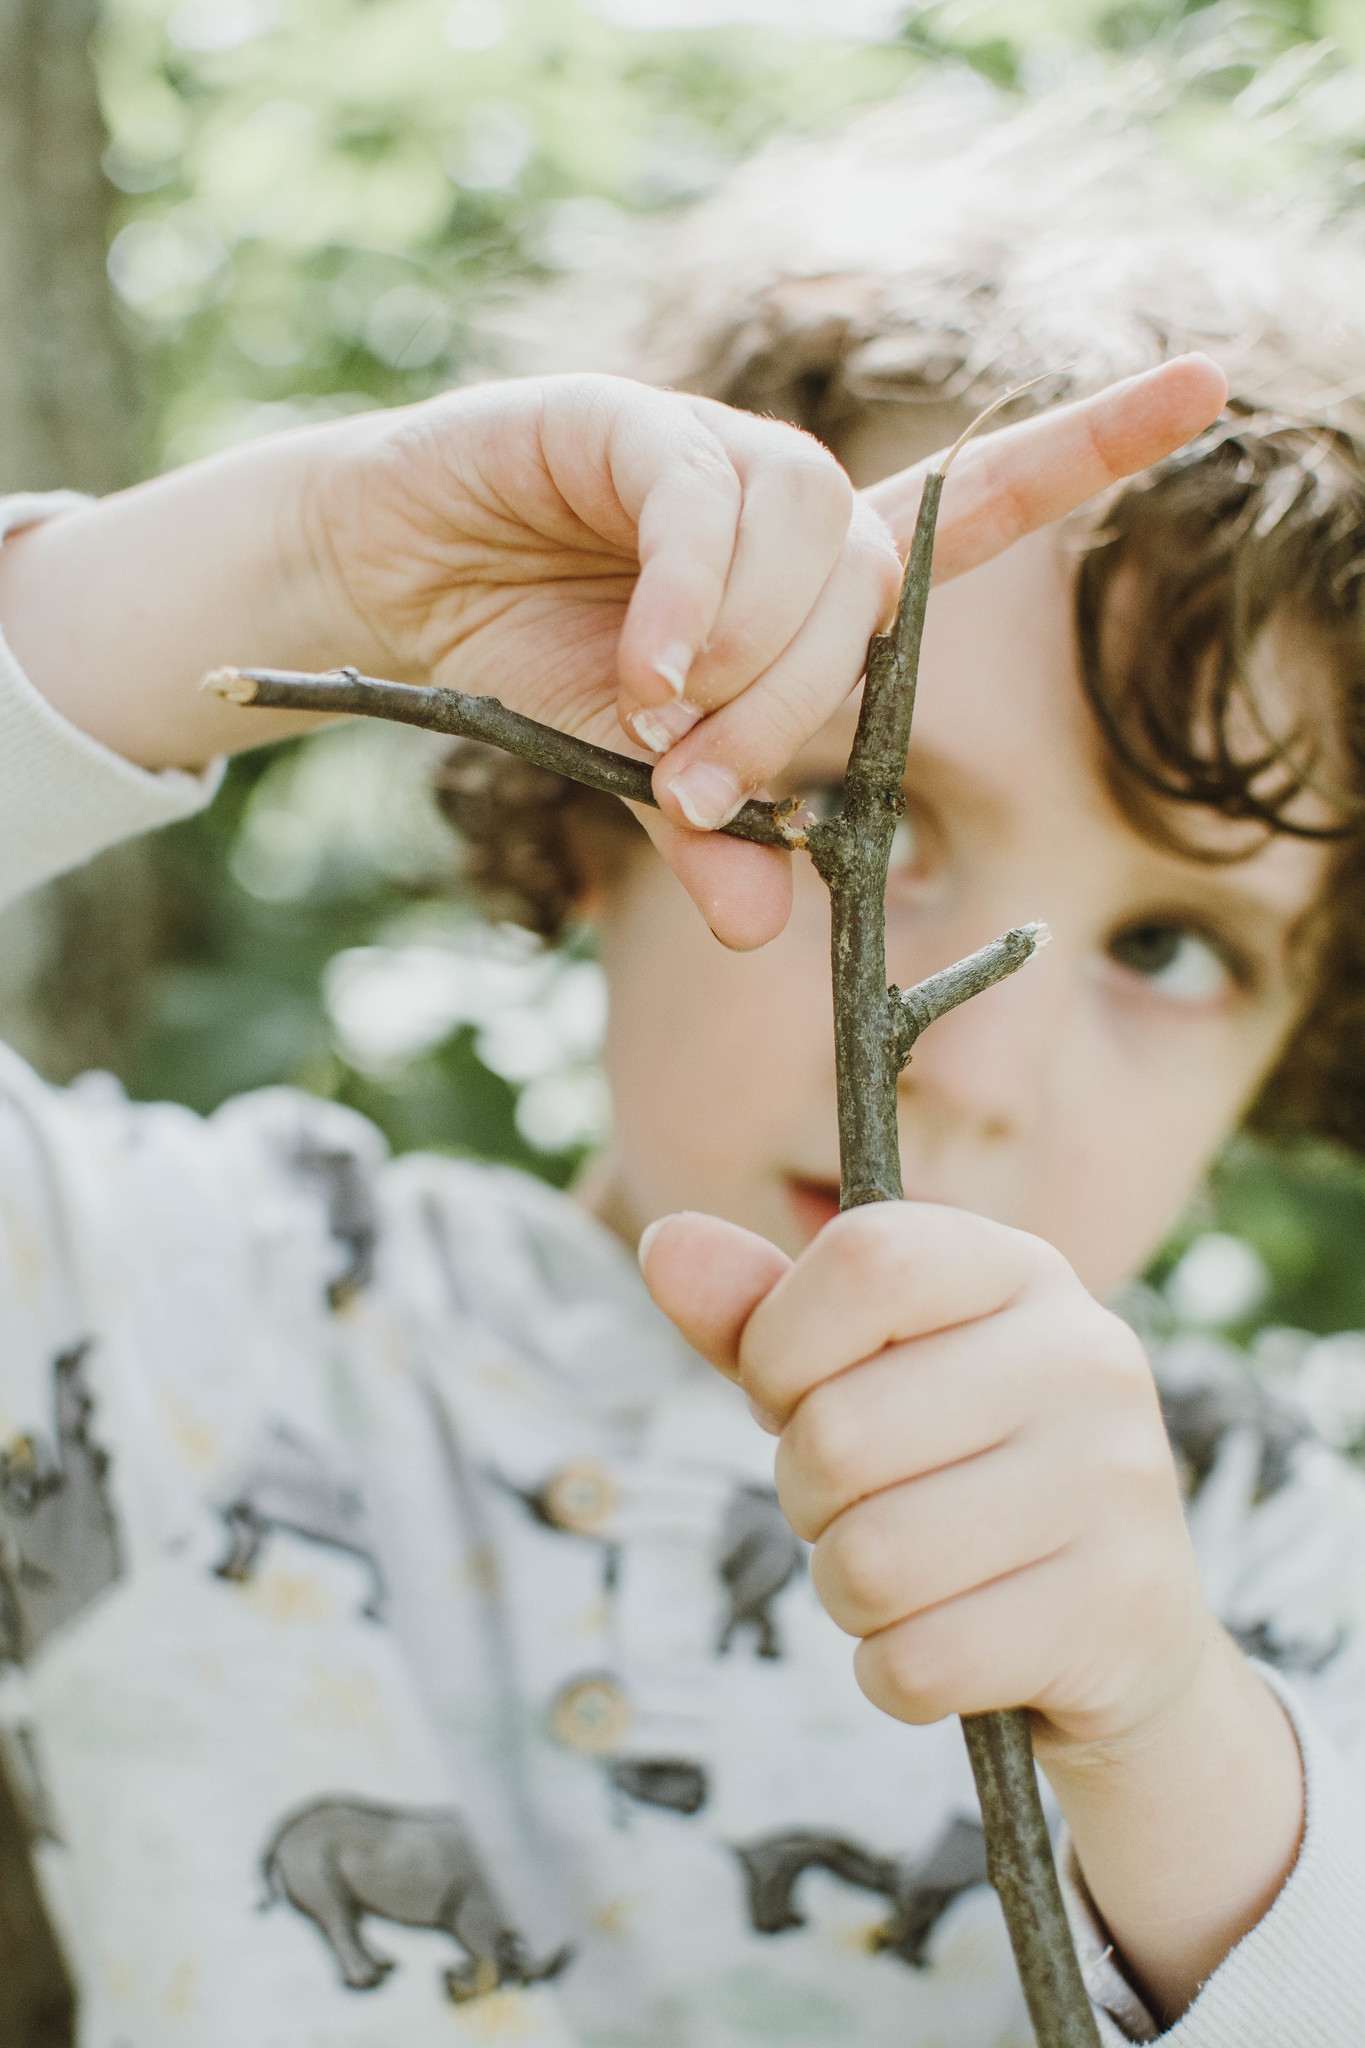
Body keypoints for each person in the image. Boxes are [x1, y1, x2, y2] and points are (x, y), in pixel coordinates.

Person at [0, 77, 1361, 2048]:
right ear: (596, 810)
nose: (968, 1061)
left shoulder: (1275, 1570)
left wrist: (1171, 1744)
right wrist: (293, 564)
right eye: (863, 816)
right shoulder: (177, 1316)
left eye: (1168, 946)